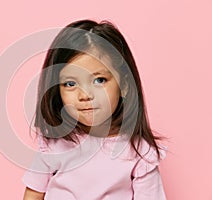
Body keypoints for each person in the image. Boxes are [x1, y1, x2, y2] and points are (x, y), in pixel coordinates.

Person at [22, 19, 167, 200]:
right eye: (70, 83)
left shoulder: (139, 152)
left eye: (99, 80)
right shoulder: (55, 143)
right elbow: (33, 195)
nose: (85, 95)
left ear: (124, 85)